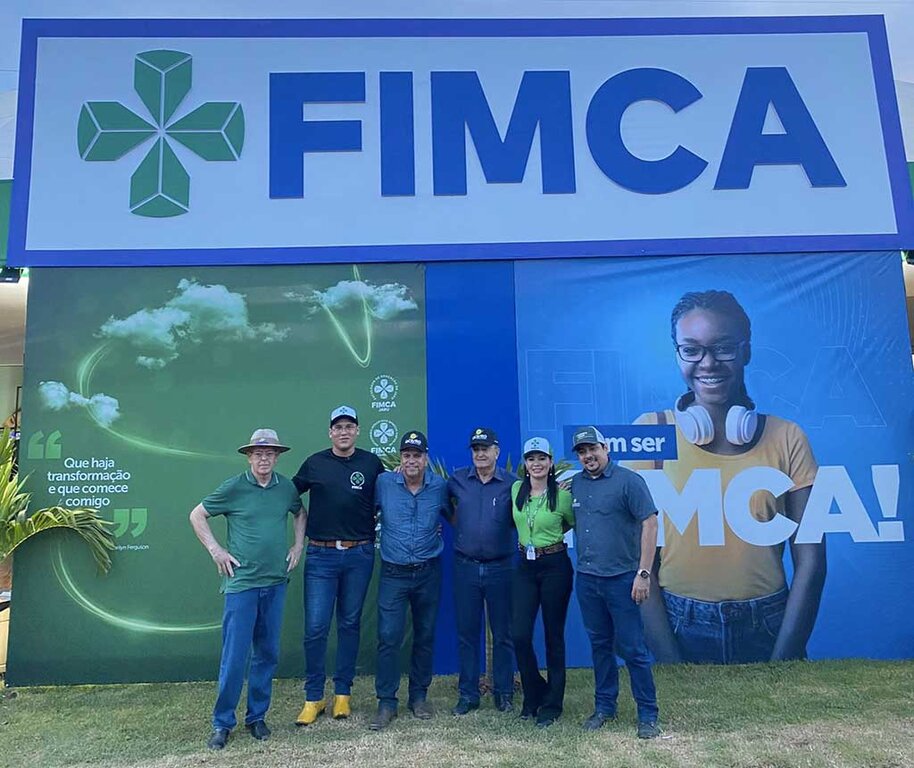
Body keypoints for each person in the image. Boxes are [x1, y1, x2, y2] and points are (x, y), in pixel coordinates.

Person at [629, 289, 826, 664]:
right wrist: (671, 662)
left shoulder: (788, 436)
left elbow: (812, 561)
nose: (708, 363)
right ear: (678, 354)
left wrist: (783, 662)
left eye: (723, 348)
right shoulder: (649, 432)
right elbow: (637, 563)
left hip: (769, 624)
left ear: (746, 351)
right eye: (691, 349)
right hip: (677, 623)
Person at [189, 428, 305, 750]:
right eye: (258, 453)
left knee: (266, 654)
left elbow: (300, 513)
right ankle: (222, 723)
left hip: (275, 583)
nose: (264, 458)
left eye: (270, 453)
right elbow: (197, 515)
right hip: (242, 585)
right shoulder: (234, 487)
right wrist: (216, 551)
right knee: (235, 657)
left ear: (277, 456)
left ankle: (257, 718)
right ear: (249, 456)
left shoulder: (287, 489)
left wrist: (298, 546)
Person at [292, 405, 385, 725]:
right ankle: (313, 698)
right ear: (330, 432)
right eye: (338, 427)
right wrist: (296, 542)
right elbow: (288, 499)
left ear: (357, 430)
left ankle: (343, 694)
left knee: (349, 624)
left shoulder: (372, 463)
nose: (343, 431)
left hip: (359, 555)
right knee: (316, 628)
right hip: (321, 556)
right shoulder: (314, 463)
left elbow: (393, 495)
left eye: (349, 426)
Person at [571, 426, 661, 739]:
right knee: (599, 647)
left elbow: (650, 523)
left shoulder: (629, 481)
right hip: (587, 579)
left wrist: (644, 573)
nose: (588, 456)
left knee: (634, 649)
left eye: (592, 449)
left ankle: (648, 714)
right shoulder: (576, 484)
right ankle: (605, 707)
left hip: (623, 579)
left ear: (605, 448)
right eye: (582, 452)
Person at [369, 430, 451, 730]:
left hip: (428, 571)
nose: (411, 460)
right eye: (407, 455)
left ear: (426, 458)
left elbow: (455, 517)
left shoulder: (440, 486)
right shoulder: (384, 483)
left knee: (425, 635)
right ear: (400, 459)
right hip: (393, 572)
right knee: (388, 637)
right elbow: (367, 512)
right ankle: (386, 702)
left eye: (417, 455)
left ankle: (418, 697)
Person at [446, 427, 516, 715]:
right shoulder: (457, 480)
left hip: (502, 567)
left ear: (497, 451)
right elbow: (437, 503)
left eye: (485, 448)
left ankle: (503, 693)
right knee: (467, 633)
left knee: (503, 634)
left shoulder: (512, 484)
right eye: (476, 449)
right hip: (466, 567)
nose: (480, 453)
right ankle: (468, 694)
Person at [510, 437, 574, 729]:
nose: (536, 464)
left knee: (553, 636)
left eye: (542, 459)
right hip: (525, 566)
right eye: (531, 459)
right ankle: (534, 693)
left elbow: (569, 522)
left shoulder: (561, 495)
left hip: (555, 566)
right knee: (520, 635)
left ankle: (552, 704)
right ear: (525, 464)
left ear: (550, 463)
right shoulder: (515, 490)